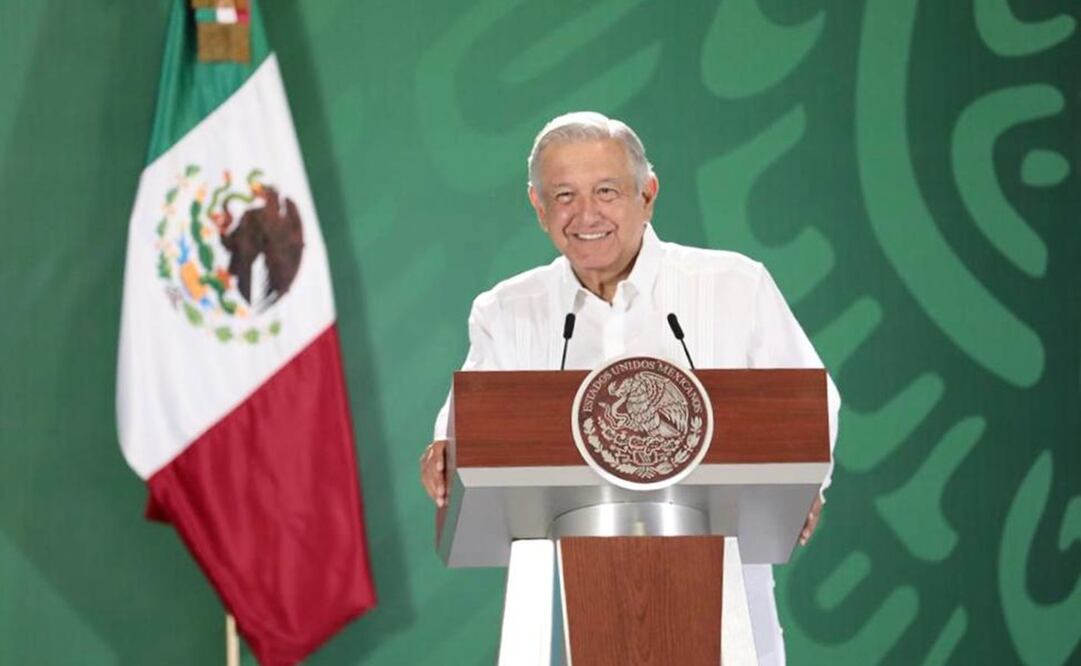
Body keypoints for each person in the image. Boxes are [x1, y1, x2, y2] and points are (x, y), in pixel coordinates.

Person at [420, 111, 839, 666]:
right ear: (538, 207)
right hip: (565, 606)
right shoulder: (507, 311)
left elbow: (807, 407)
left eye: (607, 191)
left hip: (725, 602)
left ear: (648, 194)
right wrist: (445, 452)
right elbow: (467, 431)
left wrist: (803, 480)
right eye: (563, 195)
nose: (585, 214)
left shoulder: (734, 286)